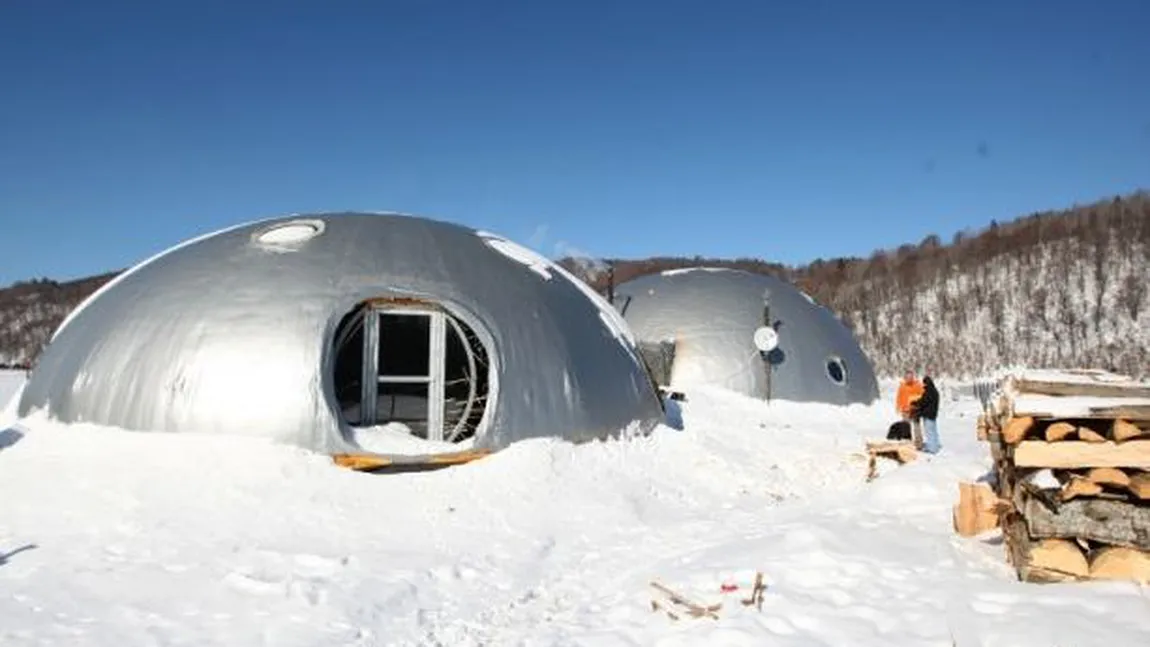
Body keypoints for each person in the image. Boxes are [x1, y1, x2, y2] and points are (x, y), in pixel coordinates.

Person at [913, 373, 941, 454]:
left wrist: (915, 403)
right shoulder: (935, 391)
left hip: (928, 415)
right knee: (934, 431)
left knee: (929, 432)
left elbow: (923, 402)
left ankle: (932, 449)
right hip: (933, 414)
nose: (923, 384)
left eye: (924, 383)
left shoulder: (928, 391)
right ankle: (935, 445)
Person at [895, 370, 924, 448]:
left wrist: (916, 401)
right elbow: (899, 397)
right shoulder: (902, 386)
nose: (909, 378)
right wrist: (898, 407)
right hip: (905, 410)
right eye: (907, 377)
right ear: (905, 377)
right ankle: (907, 442)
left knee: (917, 427)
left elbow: (922, 396)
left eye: (911, 377)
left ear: (913, 377)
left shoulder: (918, 385)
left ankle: (919, 444)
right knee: (905, 427)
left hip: (915, 410)